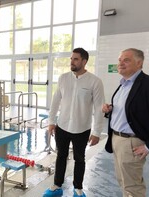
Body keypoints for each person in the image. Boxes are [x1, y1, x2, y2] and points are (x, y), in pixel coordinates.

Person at [43, 48, 105, 197]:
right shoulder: (64, 78)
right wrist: (51, 121)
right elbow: (56, 100)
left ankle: (78, 188)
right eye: (71, 59)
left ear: (84, 61)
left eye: (76, 59)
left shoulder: (94, 81)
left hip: (82, 128)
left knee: (79, 159)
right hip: (62, 126)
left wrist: (96, 132)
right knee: (61, 156)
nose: (72, 62)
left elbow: (99, 108)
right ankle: (57, 186)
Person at [102, 48, 149, 197]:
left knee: (132, 188)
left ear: (139, 63)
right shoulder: (124, 84)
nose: (121, 63)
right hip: (117, 139)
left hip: (131, 142)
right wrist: (110, 110)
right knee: (123, 182)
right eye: (120, 60)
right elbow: (131, 110)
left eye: (126, 60)